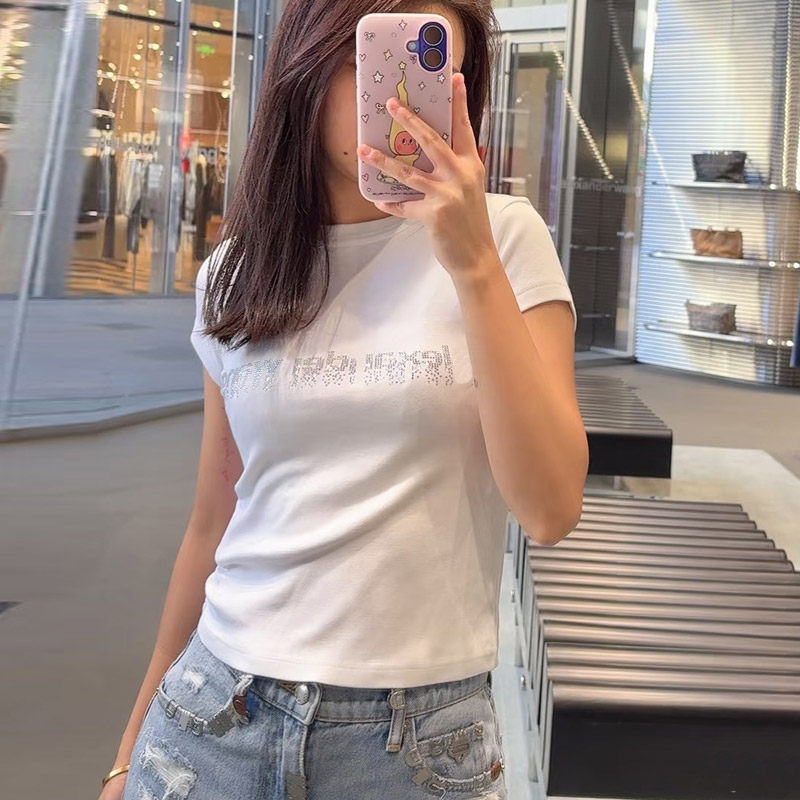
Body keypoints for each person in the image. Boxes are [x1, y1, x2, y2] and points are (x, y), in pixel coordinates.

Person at [100, 0, 588, 797]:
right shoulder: (234, 272)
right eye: (373, 60)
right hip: (212, 714)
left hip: (416, 741)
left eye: (434, 70)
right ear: (307, 65)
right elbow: (214, 521)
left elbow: (551, 506)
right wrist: (128, 748)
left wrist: (471, 266)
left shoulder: (505, 239)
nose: (401, 99)